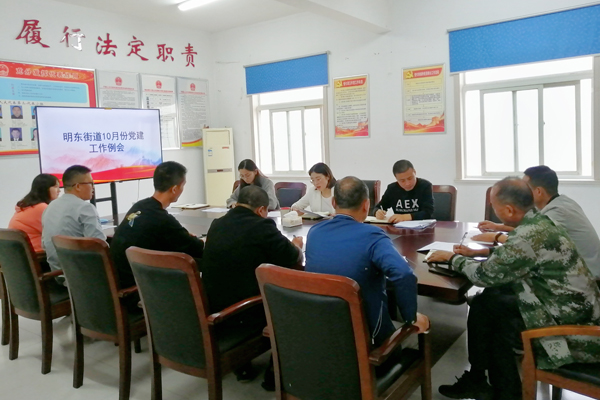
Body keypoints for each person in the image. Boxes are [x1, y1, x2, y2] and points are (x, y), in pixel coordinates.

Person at [428, 178, 600, 400]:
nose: (493, 209)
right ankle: (483, 381)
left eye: (494, 205)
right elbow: (523, 255)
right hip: (570, 308)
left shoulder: (527, 235)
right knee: (489, 301)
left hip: (573, 332)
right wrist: (479, 253)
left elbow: (483, 276)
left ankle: (497, 389)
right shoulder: (539, 221)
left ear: (508, 210)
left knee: (495, 318)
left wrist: (453, 259)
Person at [305, 176, 429, 348]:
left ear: (333, 203)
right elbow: (403, 274)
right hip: (370, 342)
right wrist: (411, 317)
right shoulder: (373, 236)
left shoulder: (314, 232)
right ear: (366, 205)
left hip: (320, 331)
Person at [202, 185, 303, 385]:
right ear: (261, 210)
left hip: (215, 308)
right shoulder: (261, 226)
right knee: (290, 298)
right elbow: (292, 257)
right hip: (245, 311)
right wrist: (296, 245)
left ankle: (243, 367)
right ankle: (275, 370)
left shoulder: (217, 224)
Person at [477, 165, 600, 279]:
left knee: (513, 273)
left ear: (538, 192)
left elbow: (530, 239)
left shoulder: (558, 212)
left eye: (526, 188)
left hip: (587, 276)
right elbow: (531, 229)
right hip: (578, 268)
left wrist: (496, 236)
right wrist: (498, 226)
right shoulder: (562, 202)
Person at [111, 161, 205, 289]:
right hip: (140, 287)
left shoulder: (139, 206)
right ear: (174, 189)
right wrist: (199, 240)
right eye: (183, 185)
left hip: (122, 279)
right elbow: (196, 248)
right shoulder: (163, 220)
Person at [42, 165, 106, 275]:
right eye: (91, 183)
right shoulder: (85, 208)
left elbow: (44, 244)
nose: (93, 187)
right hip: (83, 275)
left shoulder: (50, 206)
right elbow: (99, 246)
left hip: (57, 273)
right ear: (78, 186)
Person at [9, 174, 60, 253]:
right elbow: (58, 234)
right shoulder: (41, 208)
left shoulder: (26, 206)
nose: (59, 190)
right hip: (38, 255)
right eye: (55, 187)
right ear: (45, 188)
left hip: (21, 254)